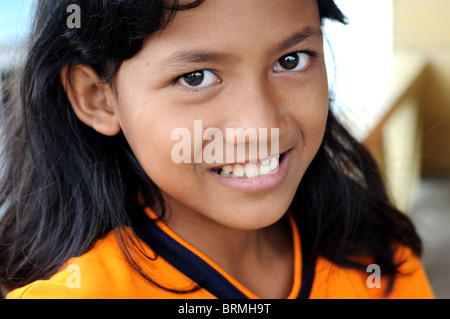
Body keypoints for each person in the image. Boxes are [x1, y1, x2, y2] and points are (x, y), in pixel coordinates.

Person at [1, 0, 433, 299]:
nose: (260, 125)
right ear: (99, 98)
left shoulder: (378, 260)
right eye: (196, 77)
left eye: (291, 60)